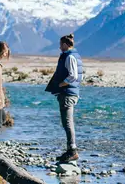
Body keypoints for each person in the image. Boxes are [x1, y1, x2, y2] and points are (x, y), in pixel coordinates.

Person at [45, 33, 84, 163]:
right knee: (67, 122)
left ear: (65, 44)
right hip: (70, 93)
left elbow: (73, 76)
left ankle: (72, 151)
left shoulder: (69, 57)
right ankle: (70, 150)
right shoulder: (74, 56)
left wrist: (62, 84)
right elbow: (80, 76)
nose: (59, 47)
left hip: (67, 93)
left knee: (67, 123)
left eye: (60, 44)